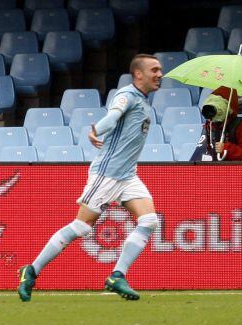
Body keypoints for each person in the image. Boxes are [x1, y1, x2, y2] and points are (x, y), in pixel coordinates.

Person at [17, 54, 164, 302]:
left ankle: (117, 275)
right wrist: (97, 129)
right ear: (138, 74)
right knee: (82, 227)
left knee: (149, 220)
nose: (160, 74)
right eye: (154, 70)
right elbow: (113, 116)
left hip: (127, 175)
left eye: (160, 70)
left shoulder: (144, 101)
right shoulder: (126, 95)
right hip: (107, 173)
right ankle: (31, 271)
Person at [190, 86, 242, 161]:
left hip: (232, 170)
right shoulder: (209, 125)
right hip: (209, 169)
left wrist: (227, 149)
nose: (211, 115)